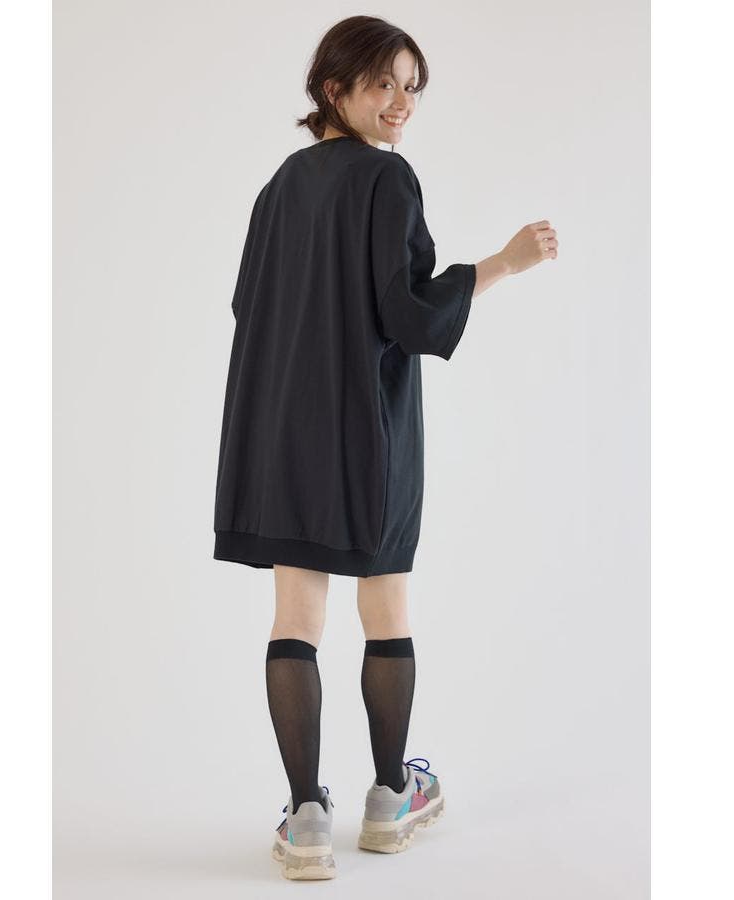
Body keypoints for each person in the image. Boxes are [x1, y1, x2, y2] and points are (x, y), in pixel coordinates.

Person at [212, 16, 558, 880]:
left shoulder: (278, 187)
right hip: (367, 428)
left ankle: (305, 818)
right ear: (335, 89)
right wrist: (501, 263)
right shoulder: (386, 177)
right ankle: (390, 794)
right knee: (386, 607)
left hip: (279, 430)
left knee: (296, 621)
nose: (402, 102)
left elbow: (248, 307)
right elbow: (407, 316)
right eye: (383, 84)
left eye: (412, 86)